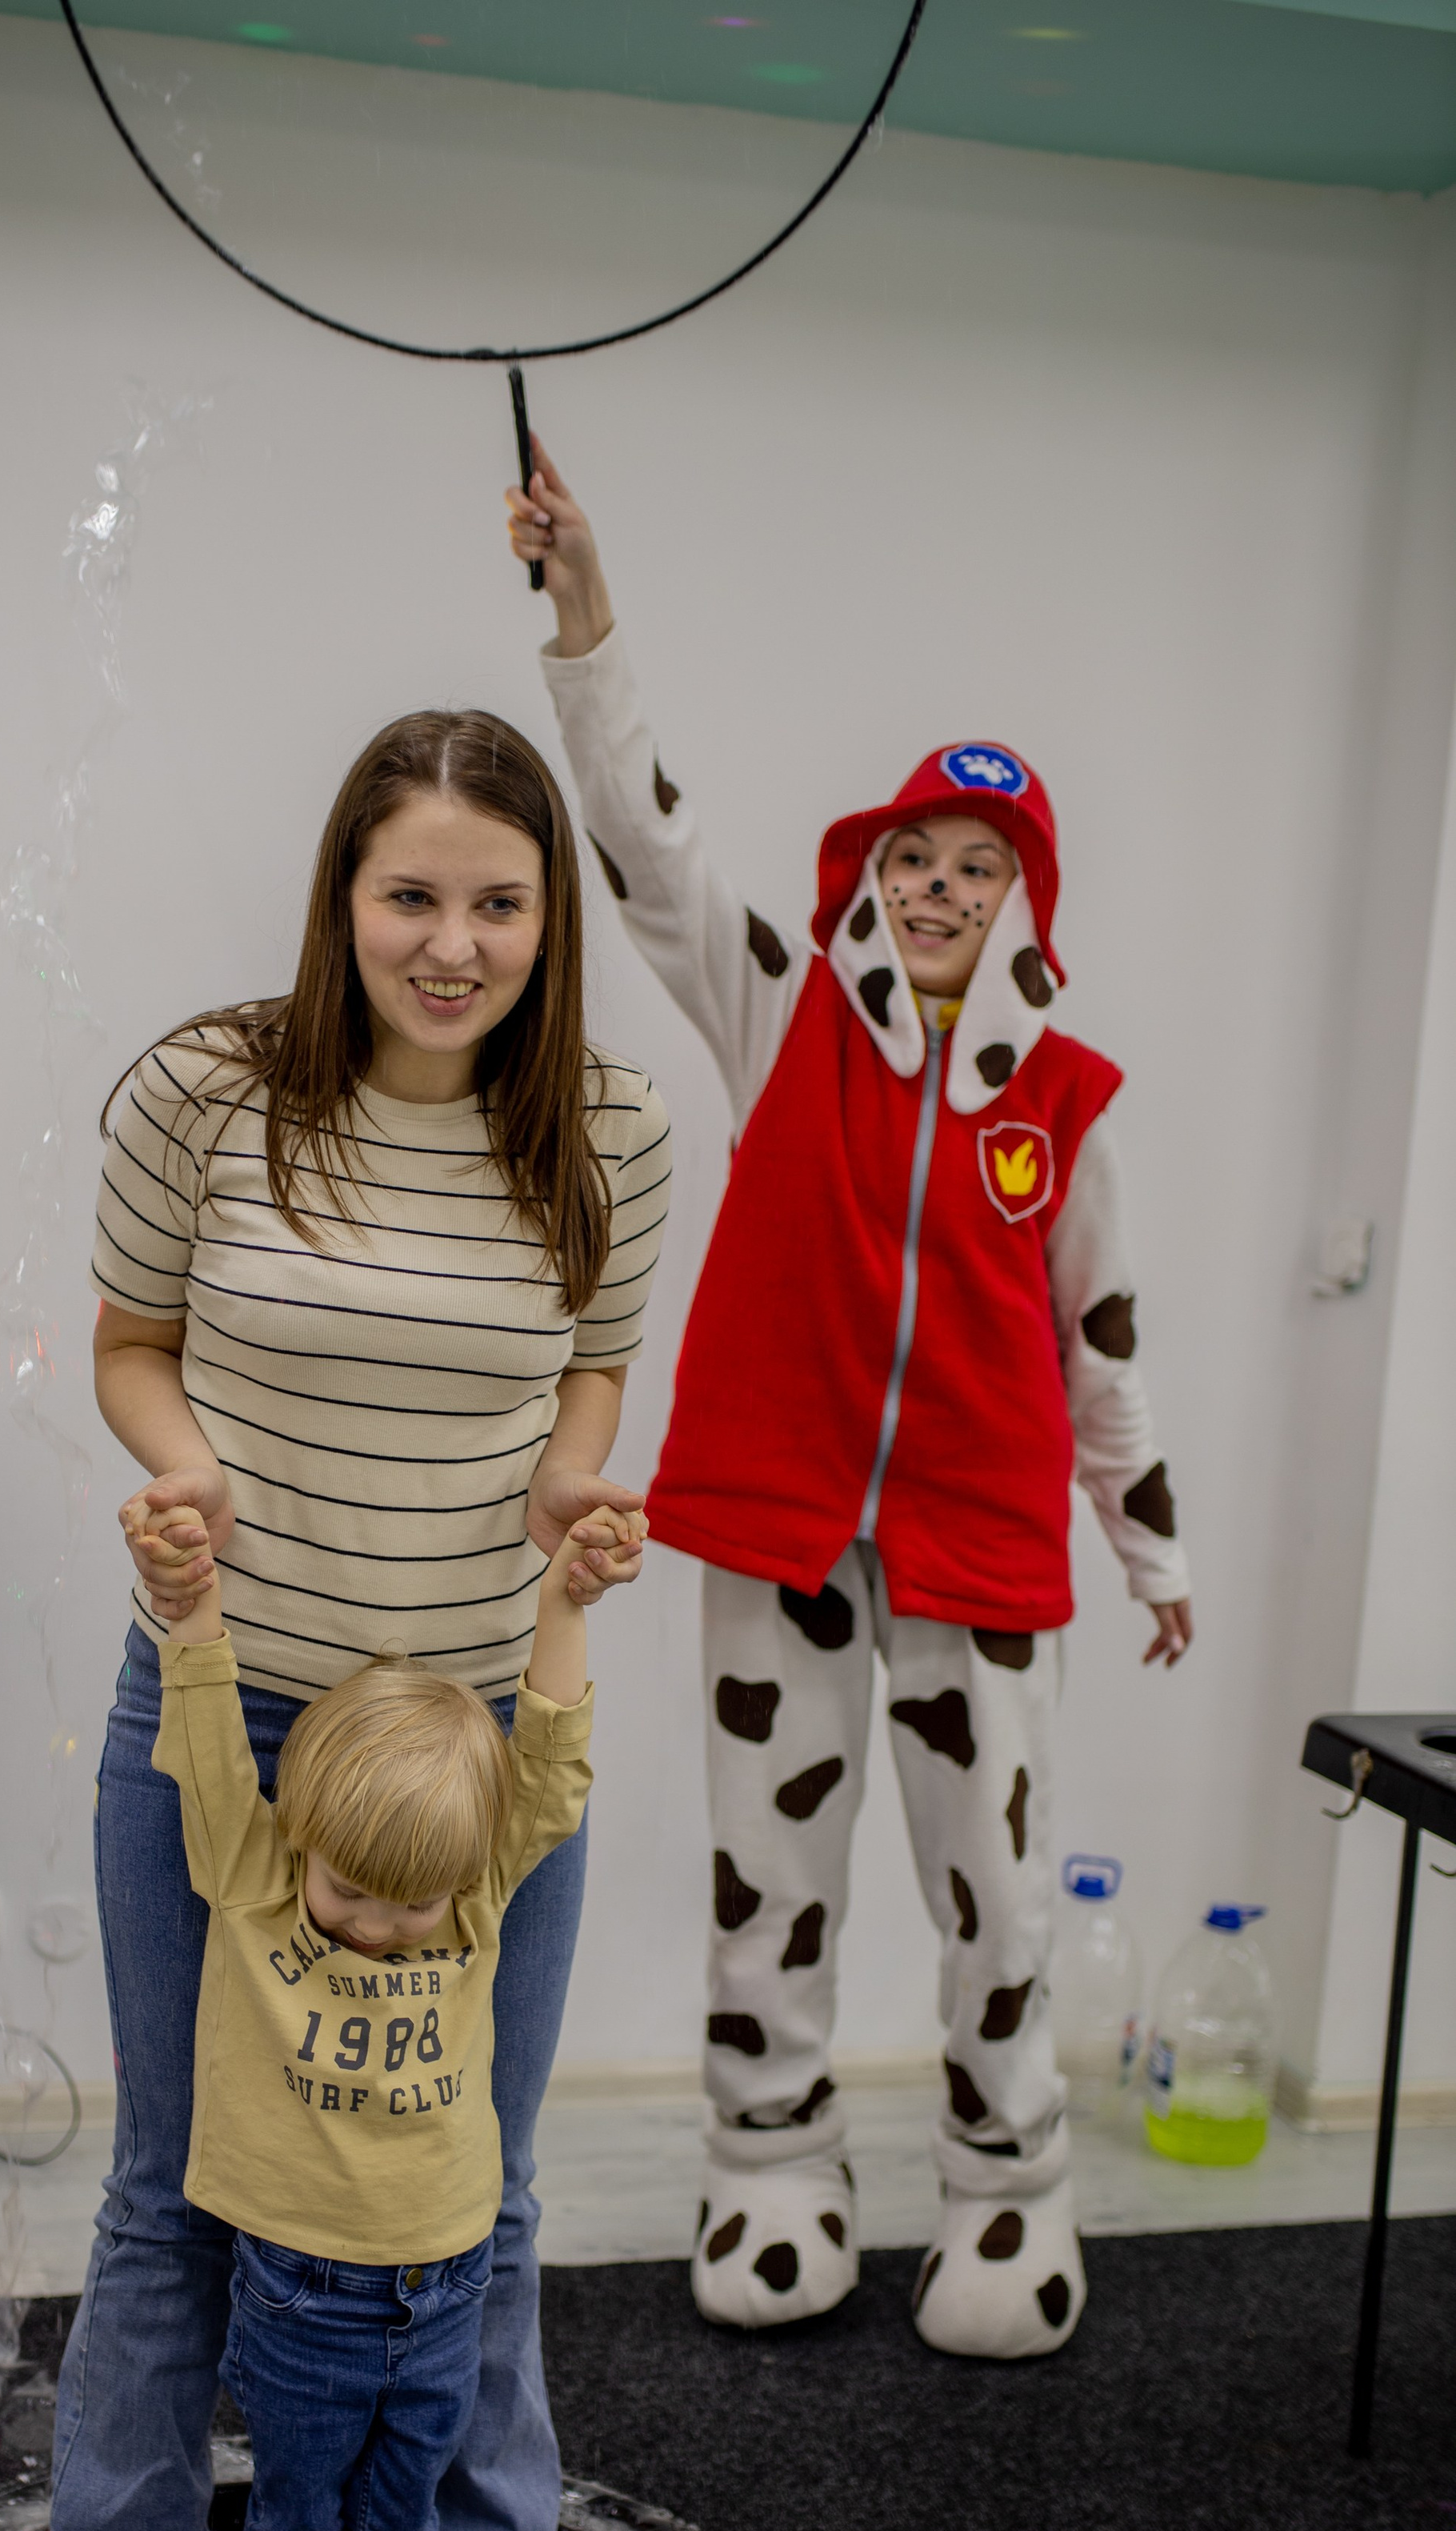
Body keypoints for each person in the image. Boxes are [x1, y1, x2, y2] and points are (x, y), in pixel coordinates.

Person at [504, 447, 1192, 2361]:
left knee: (991, 1898)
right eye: (911, 860)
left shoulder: (1061, 1110)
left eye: (975, 867)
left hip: (978, 1546)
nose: (938, 888)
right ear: (870, 882)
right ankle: (769, 2166)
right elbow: (648, 844)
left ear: (1024, 901)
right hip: (780, 1523)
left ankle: (1007, 2192)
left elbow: (1101, 1340)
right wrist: (585, 607)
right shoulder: (782, 1012)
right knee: (767, 1879)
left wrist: (1150, 1549)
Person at [50, 707, 672, 2531]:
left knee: (477, 2184)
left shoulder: (610, 1131)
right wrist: (188, 1475)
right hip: (233, 1708)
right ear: (343, 896)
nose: (453, 941)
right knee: (173, 2184)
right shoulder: (208, 1091)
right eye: (413, 894)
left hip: (477, 1743)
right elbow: (135, 1346)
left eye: (499, 903)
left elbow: (583, 1390)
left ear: (545, 919)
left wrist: (566, 1515)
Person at [135, 1492, 625, 2531]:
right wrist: (192, 1612)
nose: (373, 1930)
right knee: (296, 2521)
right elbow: (205, 1746)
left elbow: (552, 1768)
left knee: (400, 2525)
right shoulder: (252, 1866)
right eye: (347, 1892)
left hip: (444, 2288)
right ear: (302, 1839)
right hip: (299, 2294)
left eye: (408, 1906)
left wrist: (564, 1604)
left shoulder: (472, 1889)